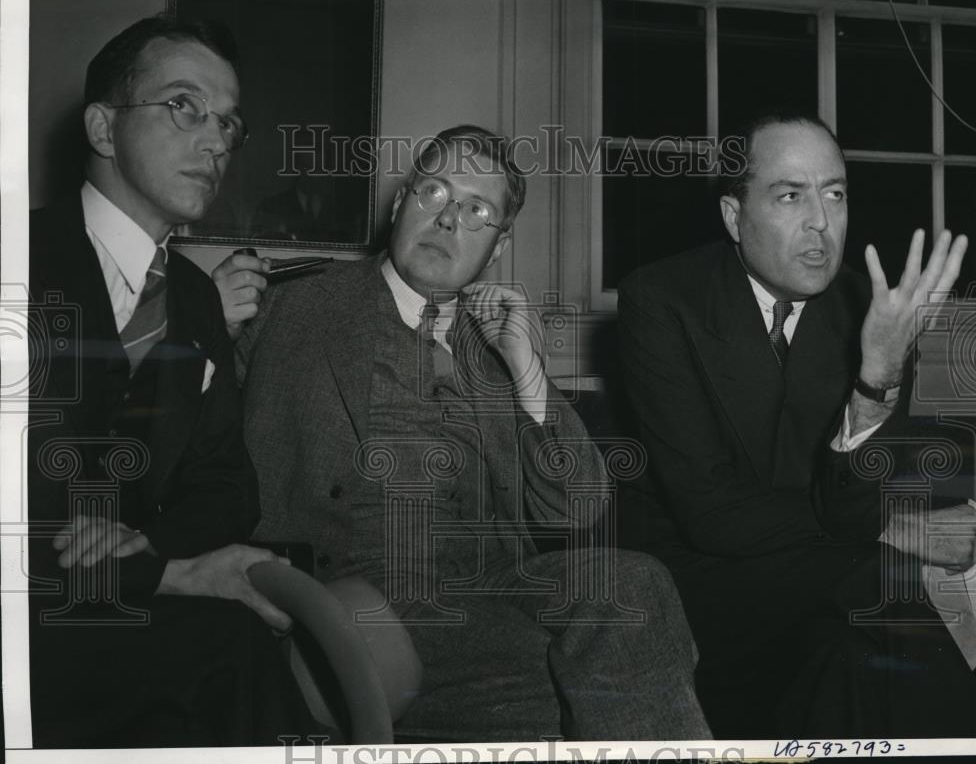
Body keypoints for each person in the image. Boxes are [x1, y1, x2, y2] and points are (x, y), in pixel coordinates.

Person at [223, 125, 710, 741]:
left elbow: (576, 506)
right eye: (434, 193)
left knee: (635, 587)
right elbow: (186, 444)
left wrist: (529, 369)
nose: (450, 219)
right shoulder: (291, 304)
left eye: (477, 210)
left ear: (499, 246)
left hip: (486, 588)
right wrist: (204, 331)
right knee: (596, 678)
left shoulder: (493, 343)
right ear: (401, 204)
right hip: (351, 597)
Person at [617, 110, 976, 739]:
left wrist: (877, 378)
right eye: (790, 195)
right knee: (881, 577)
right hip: (691, 571)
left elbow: (863, 489)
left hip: (814, 567)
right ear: (735, 217)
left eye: (834, 194)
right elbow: (713, 512)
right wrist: (895, 527)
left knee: (862, 660)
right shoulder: (660, 298)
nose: (821, 222)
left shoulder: (869, 310)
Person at [28, 15, 310, 747]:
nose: (217, 141)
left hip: (124, 617)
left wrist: (141, 547)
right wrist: (164, 574)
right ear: (101, 126)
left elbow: (227, 486)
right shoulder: (16, 259)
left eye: (227, 122)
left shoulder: (192, 298)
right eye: (184, 106)